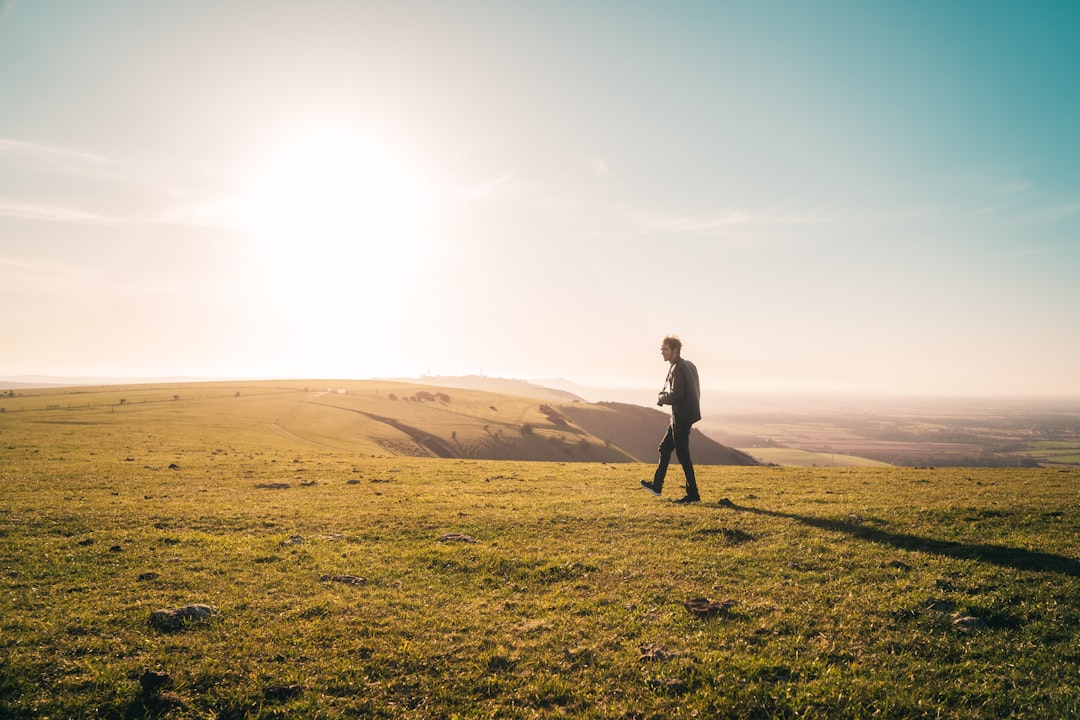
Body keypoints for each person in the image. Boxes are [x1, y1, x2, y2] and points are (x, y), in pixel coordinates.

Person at [640, 335, 701, 503]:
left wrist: (662, 398)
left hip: (680, 418)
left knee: (683, 456)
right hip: (683, 417)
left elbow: (677, 395)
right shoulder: (688, 365)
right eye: (662, 349)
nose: (662, 352)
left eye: (665, 349)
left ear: (674, 350)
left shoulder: (678, 368)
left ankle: (693, 495)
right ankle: (657, 486)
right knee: (665, 448)